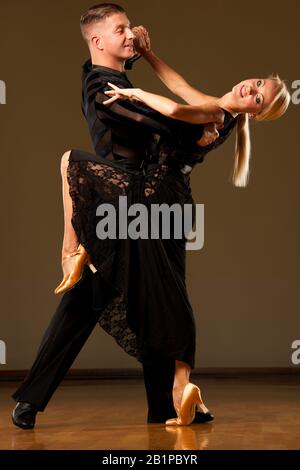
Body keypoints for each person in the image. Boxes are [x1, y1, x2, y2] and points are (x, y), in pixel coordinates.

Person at [11, 3, 214, 430]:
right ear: (97, 40)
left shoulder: (123, 81)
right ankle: (30, 398)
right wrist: (204, 121)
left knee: (159, 298)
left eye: (129, 28)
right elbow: (158, 120)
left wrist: (149, 56)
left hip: (155, 205)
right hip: (118, 209)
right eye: (120, 29)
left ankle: (163, 406)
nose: (130, 34)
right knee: (85, 301)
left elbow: (163, 127)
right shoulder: (101, 86)